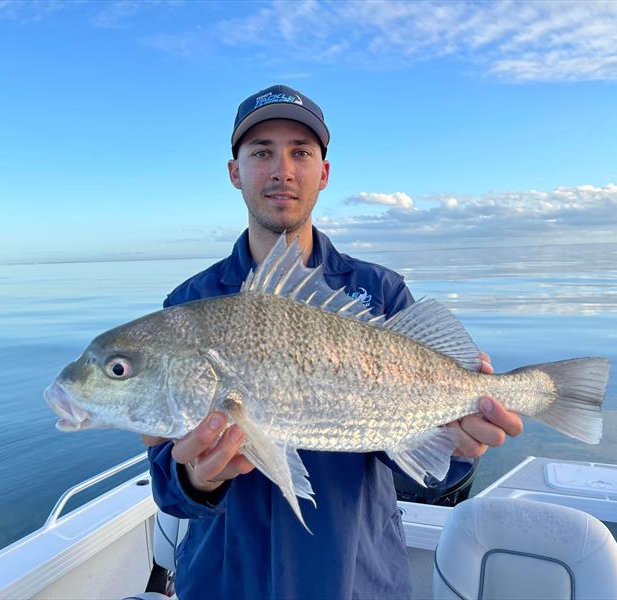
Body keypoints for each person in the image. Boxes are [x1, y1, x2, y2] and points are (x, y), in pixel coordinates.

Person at [143, 84, 523, 599]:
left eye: (300, 152)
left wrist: (460, 445)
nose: (282, 169)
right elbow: (169, 488)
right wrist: (195, 479)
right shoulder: (190, 305)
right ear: (235, 171)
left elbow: (424, 475)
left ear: (323, 173)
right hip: (224, 582)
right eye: (261, 152)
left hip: (355, 580)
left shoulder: (382, 293)